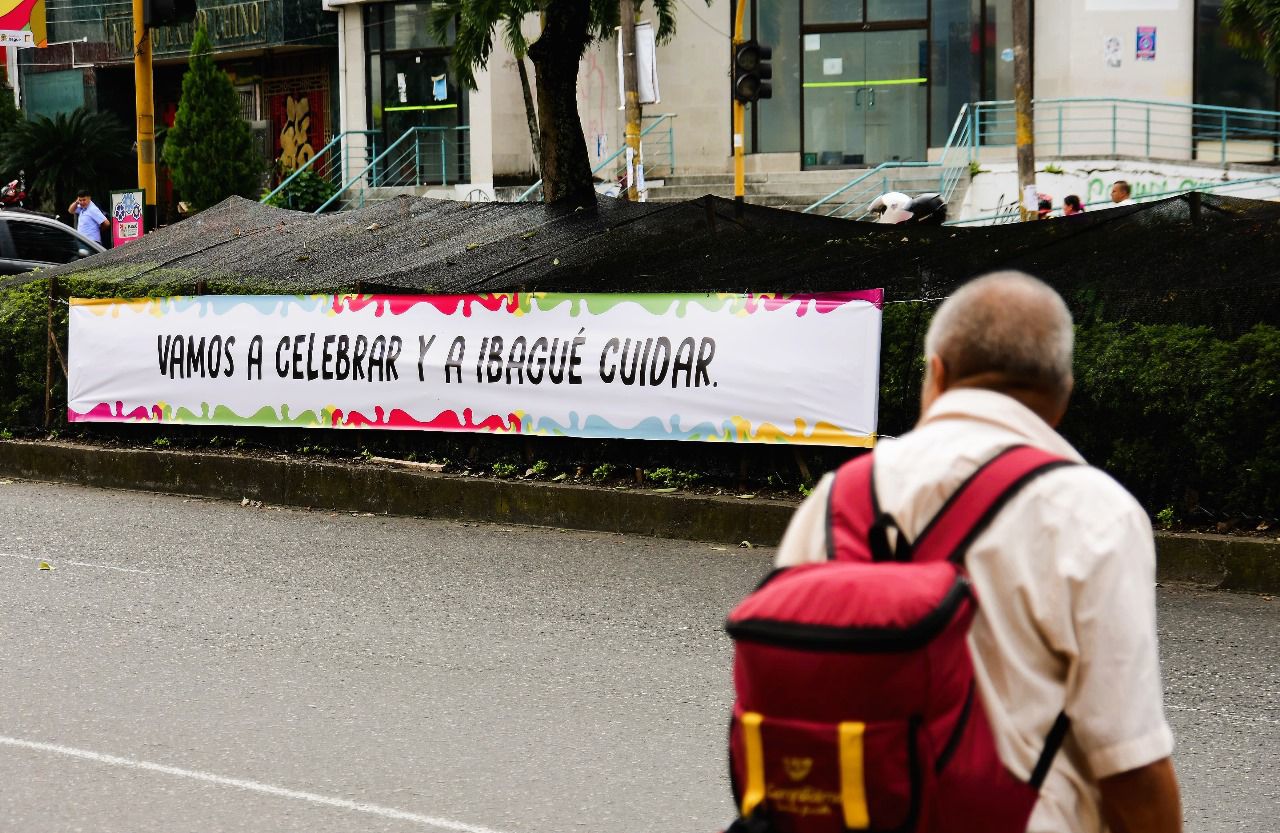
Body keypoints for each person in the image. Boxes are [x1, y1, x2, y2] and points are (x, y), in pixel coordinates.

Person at [774, 271, 1181, 833]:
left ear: (936, 373)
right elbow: (1129, 763)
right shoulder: (1093, 514)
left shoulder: (837, 498)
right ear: (1061, 397)